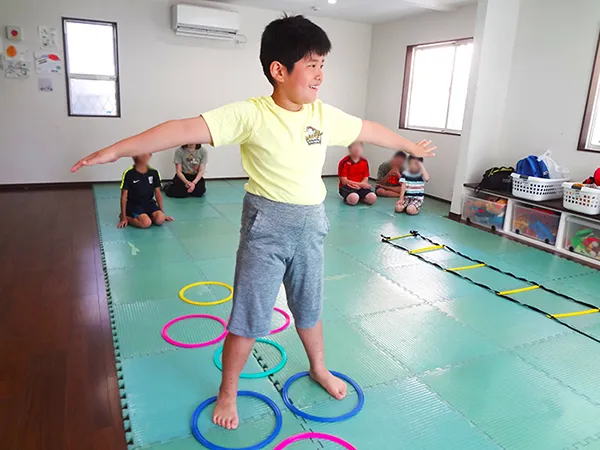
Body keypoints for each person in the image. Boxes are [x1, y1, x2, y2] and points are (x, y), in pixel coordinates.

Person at [71, 15, 435, 430]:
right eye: (312, 64)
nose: (320, 74)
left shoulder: (323, 114)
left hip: (312, 224)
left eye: (323, 65)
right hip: (267, 225)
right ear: (279, 70)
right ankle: (228, 391)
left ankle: (318, 367)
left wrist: (409, 144)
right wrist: (115, 151)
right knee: (249, 316)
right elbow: (179, 129)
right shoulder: (251, 114)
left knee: (309, 305)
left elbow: (368, 127)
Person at [118, 154, 174, 228]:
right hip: (134, 204)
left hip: (149, 203)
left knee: (160, 219)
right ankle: (127, 217)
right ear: (135, 157)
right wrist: (124, 217)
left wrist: (162, 213)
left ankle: (146, 217)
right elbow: (124, 196)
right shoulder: (129, 173)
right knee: (146, 223)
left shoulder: (154, 172)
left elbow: (158, 193)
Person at [337, 141, 377, 206]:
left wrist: (361, 185)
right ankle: (349, 199)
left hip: (361, 186)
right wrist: (360, 184)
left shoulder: (364, 161)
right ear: (349, 149)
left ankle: (361, 198)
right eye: (354, 148)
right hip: (348, 186)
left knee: (372, 197)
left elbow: (365, 178)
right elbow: (344, 181)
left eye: (359, 147)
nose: (357, 150)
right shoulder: (344, 162)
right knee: (354, 199)